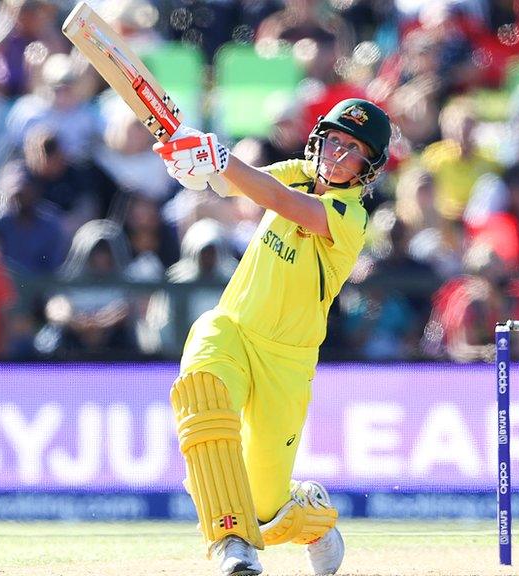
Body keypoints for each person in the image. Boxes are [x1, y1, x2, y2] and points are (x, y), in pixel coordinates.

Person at [154, 98, 391, 576]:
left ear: (368, 169)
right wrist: (191, 162)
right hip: (232, 327)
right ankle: (231, 545)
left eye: (353, 150)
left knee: (264, 507)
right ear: (319, 138)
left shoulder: (351, 217)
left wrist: (218, 157)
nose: (338, 155)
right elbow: (235, 184)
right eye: (335, 141)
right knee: (204, 397)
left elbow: (278, 200)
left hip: (287, 360)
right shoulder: (300, 169)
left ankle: (311, 516)